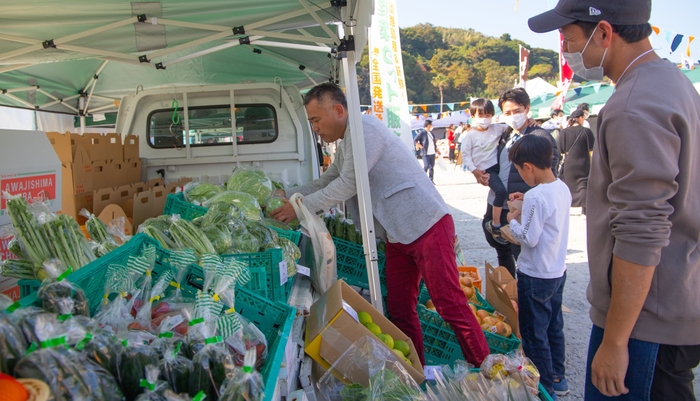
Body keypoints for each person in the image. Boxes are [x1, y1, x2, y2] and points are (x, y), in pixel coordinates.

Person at [529, 1, 700, 400]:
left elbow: (642, 231)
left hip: (644, 324)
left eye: (568, 39)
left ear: (604, 33)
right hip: (669, 301)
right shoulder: (672, 81)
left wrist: (617, 341)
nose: (566, 52)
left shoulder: (633, 105)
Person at [270, 82, 489, 367]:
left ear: (338, 110)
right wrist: (290, 195)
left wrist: (299, 209)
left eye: (315, 120)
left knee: (449, 304)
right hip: (397, 235)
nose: (315, 128)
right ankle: (416, 373)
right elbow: (328, 180)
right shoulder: (348, 140)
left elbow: (348, 183)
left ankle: (487, 367)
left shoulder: (364, 129)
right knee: (399, 309)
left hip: (425, 225)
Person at [507, 134, 572, 400]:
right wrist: (527, 203)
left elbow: (528, 237)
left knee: (534, 336)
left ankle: (544, 391)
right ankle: (559, 378)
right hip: (557, 271)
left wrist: (512, 220)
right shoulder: (561, 188)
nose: (522, 175)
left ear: (528, 167)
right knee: (554, 326)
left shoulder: (535, 196)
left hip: (534, 275)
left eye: (520, 170)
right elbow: (547, 219)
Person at [479, 87, 559, 277]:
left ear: (527, 109)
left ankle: (524, 295)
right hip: (498, 202)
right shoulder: (504, 134)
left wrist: (528, 203)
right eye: (508, 112)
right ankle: (509, 295)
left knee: (522, 255)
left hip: (521, 205)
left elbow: (549, 177)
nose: (513, 116)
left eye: (517, 111)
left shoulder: (540, 138)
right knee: (501, 249)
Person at [461, 99, 511, 245]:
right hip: (486, 170)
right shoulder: (470, 135)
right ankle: (495, 225)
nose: (485, 119)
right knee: (501, 191)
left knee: (502, 191)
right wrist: (475, 171)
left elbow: (512, 127)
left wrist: (531, 120)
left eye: (488, 115)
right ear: (473, 116)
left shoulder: (496, 129)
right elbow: (466, 156)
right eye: (481, 115)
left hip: (498, 165)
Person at [557, 109, 594, 215]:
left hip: (569, 164)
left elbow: (561, 150)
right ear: (581, 118)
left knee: (569, 185)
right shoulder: (586, 131)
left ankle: (567, 206)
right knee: (583, 185)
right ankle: (585, 209)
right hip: (583, 163)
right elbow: (591, 150)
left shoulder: (564, 132)